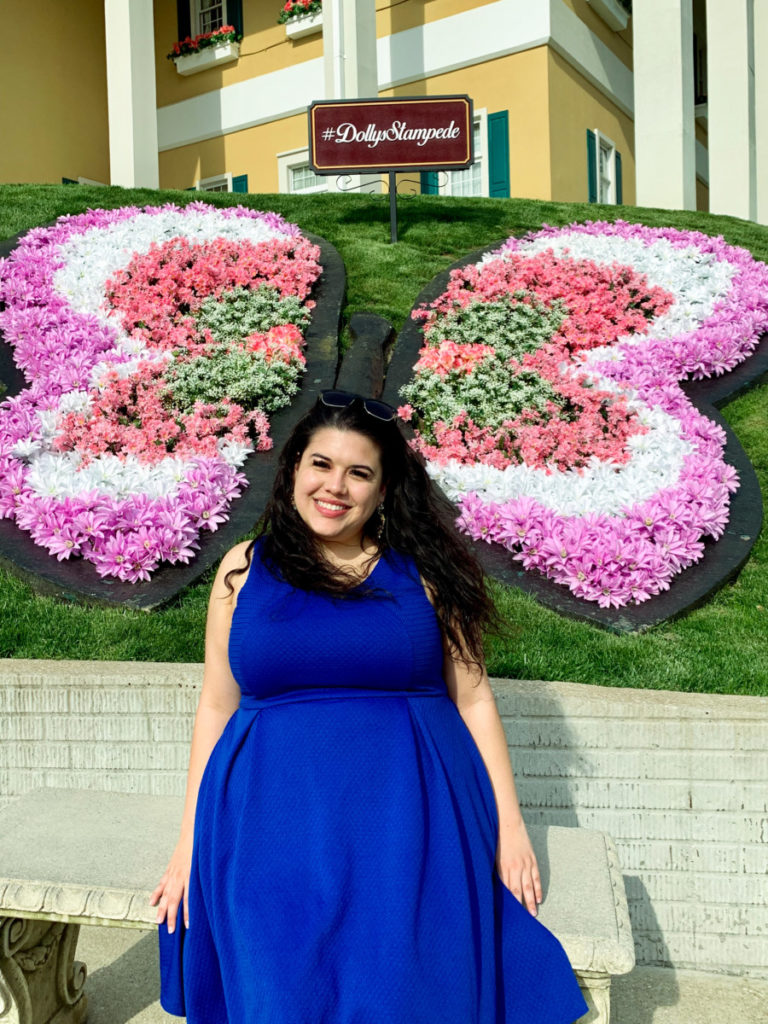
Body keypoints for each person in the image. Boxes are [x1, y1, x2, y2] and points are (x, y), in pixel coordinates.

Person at [152, 390, 588, 1024]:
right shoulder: (243, 571)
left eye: (359, 473)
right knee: (280, 990)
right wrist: (187, 844)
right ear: (294, 470)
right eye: (321, 464)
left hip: (410, 821)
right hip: (268, 825)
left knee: (406, 987)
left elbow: (474, 698)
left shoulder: (427, 575)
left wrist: (510, 831)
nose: (336, 487)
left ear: (383, 491)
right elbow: (217, 708)